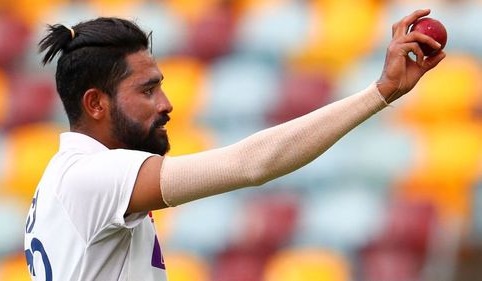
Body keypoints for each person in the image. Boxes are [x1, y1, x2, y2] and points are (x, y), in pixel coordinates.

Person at [23, 8, 445, 281]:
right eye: (147, 91)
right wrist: (380, 92)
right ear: (95, 103)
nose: (166, 104)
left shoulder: (64, 181)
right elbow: (252, 164)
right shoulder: (93, 176)